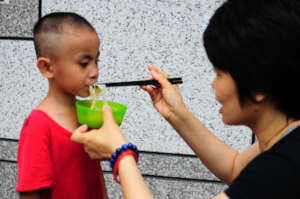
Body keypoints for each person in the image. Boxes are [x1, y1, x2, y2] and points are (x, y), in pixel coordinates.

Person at [71, 0, 300, 198]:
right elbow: (235, 168)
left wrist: (121, 154)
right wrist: (176, 113)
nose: (213, 84)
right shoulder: (287, 139)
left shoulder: (285, 167)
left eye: (219, 74)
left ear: (258, 84)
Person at [16, 12, 108, 199]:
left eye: (96, 61)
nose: (95, 72)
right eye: (84, 63)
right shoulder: (38, 125)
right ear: (47, 68)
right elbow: (30, 193)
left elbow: (95, 177)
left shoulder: (87, 113)